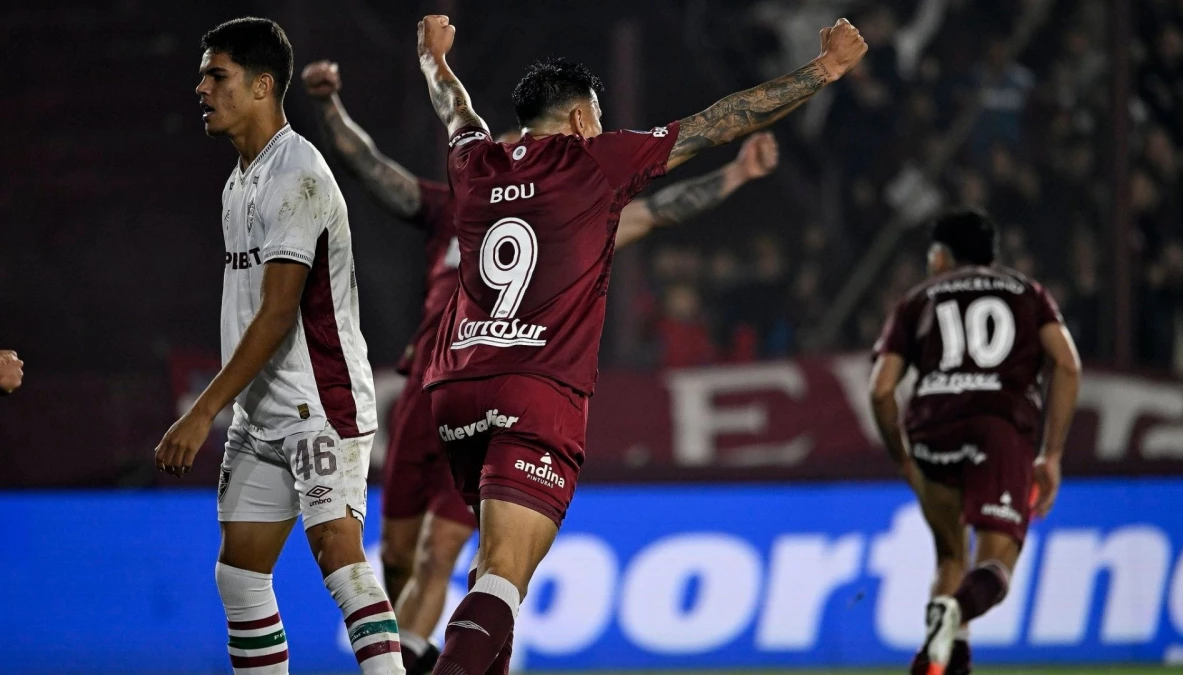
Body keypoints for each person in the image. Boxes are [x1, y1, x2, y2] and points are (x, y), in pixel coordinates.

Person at [414, 13, 866, 675]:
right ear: (575, 121)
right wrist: (822, 71)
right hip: (536, 388)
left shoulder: (471, 161)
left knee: (493, 571)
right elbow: (721, 119)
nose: (601, 130)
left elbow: (452, 105)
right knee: (505, 574)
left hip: (455, 391)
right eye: (595, 119)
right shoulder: (594, 160)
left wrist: (433, 57)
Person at [300, 58, 779, 674]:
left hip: (468, 381)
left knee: (448, 553)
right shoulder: (461, 199)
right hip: (452, 382)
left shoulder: (544, 199)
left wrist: (735, 177)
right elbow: (374, 171)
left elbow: (655, 212)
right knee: (405, 557)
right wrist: (334, 108)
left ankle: (415, 665)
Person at [153, 18, 404, 674]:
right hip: (260, 411)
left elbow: (277, 312)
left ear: (263, 86)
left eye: (218, 75)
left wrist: (202, 408)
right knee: (239, 576)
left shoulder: (298, 173)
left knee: (338, 555)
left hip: (317, 400)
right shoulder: (241, 180)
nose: (201, 86)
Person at [868, 208, 1081, 675]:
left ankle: (941, 662)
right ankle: (956, 612)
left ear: (941, 257)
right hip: (998, 428)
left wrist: (902, 456)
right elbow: (1067, 364)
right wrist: (1053, 454)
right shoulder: (1027, 293)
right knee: (996, 562)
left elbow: (881, 389)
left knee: (949, 557)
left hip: (931, 430)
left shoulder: (916, 299)